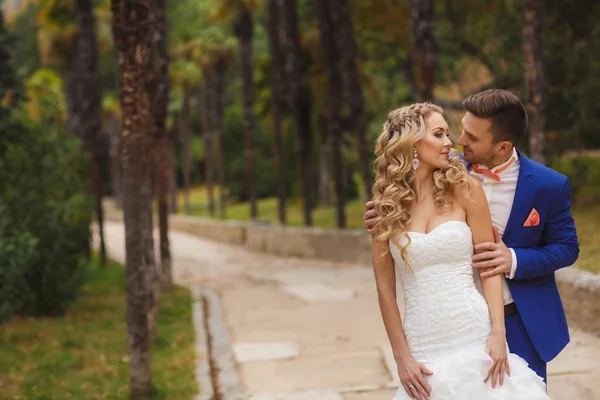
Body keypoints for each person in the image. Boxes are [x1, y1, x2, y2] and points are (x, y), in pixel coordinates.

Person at [366, 90, 579, 392]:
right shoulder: (434, 176)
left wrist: (513, 260)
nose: (458, 141)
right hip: (427, 336)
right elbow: (384, 288)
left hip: (518, 319)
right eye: (455, 131)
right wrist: (401, 356)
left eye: (471, 137)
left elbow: (567, 247)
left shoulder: (548, 185)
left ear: (502, 146)